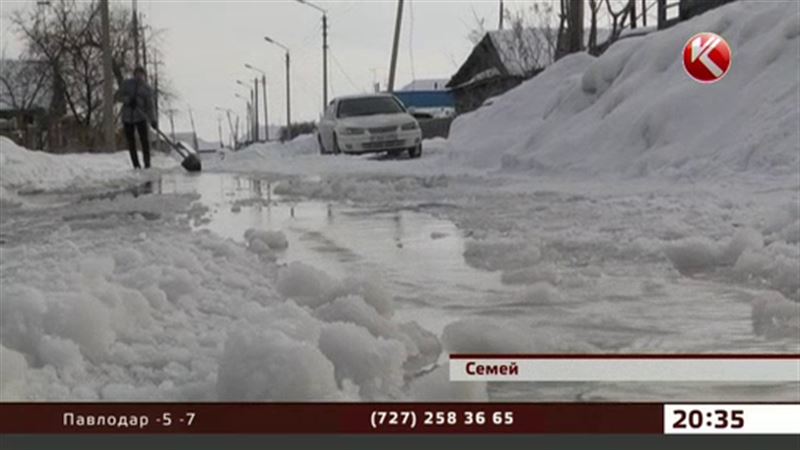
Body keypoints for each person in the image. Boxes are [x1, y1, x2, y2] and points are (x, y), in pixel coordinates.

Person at [115, 67, 156, 169]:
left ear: (144, 75)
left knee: (144, 141)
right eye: (137, 74)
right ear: (134, 74)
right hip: (128, 118)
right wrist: (127, 100)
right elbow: (117, 97)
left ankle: (147, 164)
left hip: (141, 117)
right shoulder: (126, 84)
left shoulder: (147, 89)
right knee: (131, 142)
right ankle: (136, 165)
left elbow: (150, 106)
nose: (139, 76)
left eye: (141, 74)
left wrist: (153, 120)